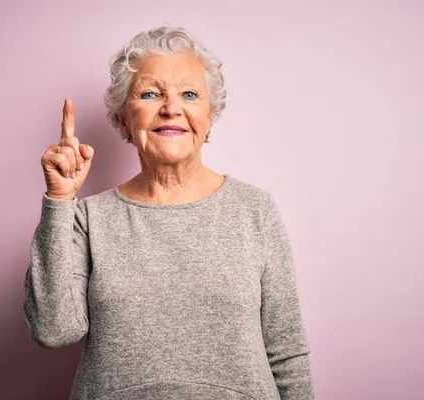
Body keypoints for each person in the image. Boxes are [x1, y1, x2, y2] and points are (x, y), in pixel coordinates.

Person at [23, 25, 315, 400]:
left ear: (209, 120)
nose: (171, 108)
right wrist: (59, 202)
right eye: (149, 93)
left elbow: (287, 351)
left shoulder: (254, 209)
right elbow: (53, 330)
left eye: (190, 94)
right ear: (123, 122)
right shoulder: (87, 218)